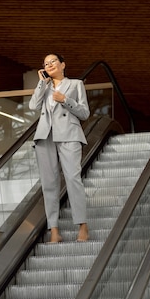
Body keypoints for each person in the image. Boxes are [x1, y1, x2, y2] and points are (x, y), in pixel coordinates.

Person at [29, 53, 90, 243]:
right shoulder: (44, 87)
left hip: (69, 134)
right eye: (46, 63)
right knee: (49, 183)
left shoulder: (76, 84)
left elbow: (85, 113)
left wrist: (65, 100)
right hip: (45, 136)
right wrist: (41, 84)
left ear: (63, 64)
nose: (49, 64)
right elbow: (33, 106)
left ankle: (82, 225)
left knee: (73, 178)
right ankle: (54, 229)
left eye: (53, 61)